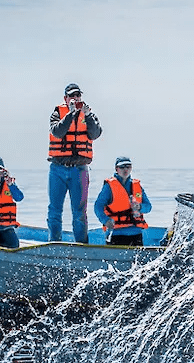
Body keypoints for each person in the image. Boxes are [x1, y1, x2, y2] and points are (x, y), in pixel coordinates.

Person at [48, 83, 102, 243]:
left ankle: (81, 246)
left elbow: (95, 134)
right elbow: (57, 132)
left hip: (79, 170)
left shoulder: (89, 114)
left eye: (78, 95)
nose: (75, 98)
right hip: (58, 168)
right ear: (65, 98)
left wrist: (88, 116)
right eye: (72, 96)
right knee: (54, 211)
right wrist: (70, 115)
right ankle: (54, 244)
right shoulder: (58, 113)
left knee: (79, 213)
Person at [94, 156, 153, 246]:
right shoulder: (109, 187)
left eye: (128, 166)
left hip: (136, 233)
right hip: (116, 233)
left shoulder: (137, 186)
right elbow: (98, 206)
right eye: (122, 167)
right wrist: (105, 220)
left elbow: (148, 207)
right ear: (116, 169)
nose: (125, 169)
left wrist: (140, 207)